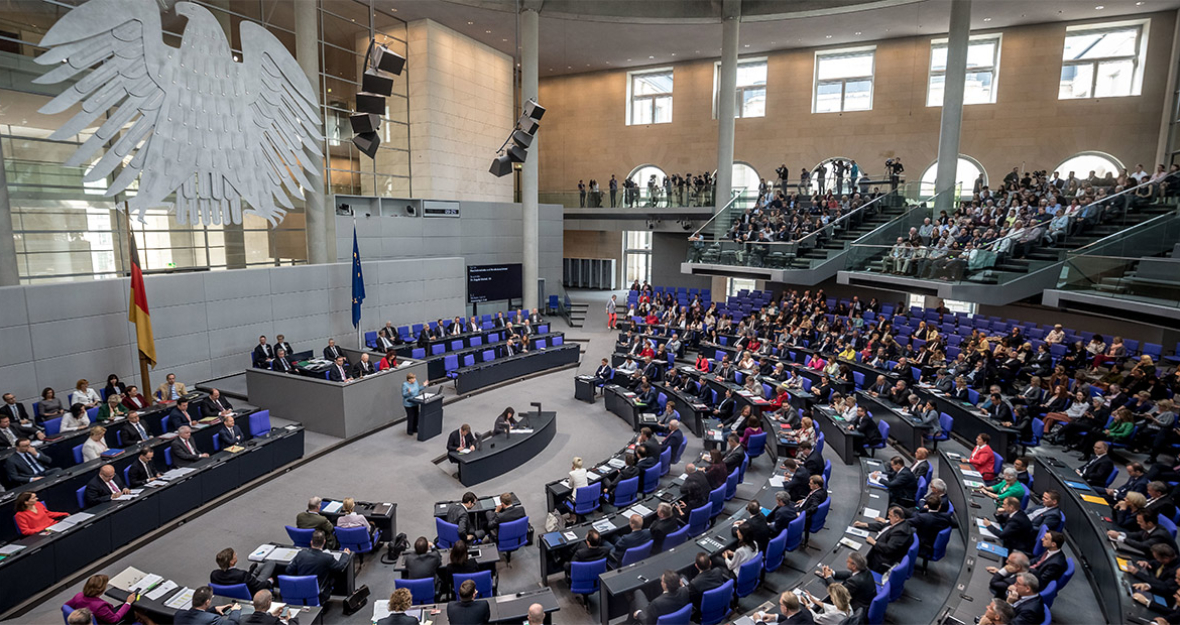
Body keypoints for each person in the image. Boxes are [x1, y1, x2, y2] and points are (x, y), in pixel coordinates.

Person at [286, 530, 351, 605]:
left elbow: (289, 570)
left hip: (300, 589)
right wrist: (345, 555)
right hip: (319, 592)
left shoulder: (301, 554)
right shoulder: (327, 558)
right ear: (324, 542)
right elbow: (340, 567)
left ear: (311, 542)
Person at [66, 574, 134, 624]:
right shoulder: (100, 606)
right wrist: (128, 603)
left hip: (96, 618)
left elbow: (66, 607)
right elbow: (114, 619)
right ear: (101, 590)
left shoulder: (78, 596)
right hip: (106, 622)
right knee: (133, 609)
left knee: (126, 608)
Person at [865, 506, 914, 573]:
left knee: (859, 556)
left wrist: (874, 543)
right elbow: (883, 526)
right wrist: (865, 525)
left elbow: (889, 549)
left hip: (882, 559)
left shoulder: (901, 532)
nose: (888, 517)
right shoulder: (898, 522)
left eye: (890, 515)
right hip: (881, 550)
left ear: (897, 517)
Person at [173, 585, 241, 625]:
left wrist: (214, 609)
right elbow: (232, 624)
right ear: (207, 602)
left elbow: (197, 616)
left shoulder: (179, 614)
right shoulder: (212, 619)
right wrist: (235, 611)